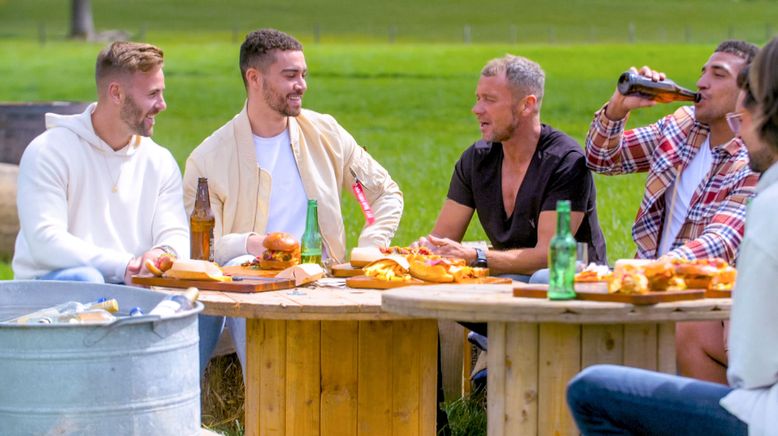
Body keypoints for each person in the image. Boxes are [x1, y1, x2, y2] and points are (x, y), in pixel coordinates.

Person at [567, 37, 778, 436]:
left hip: (692, 291)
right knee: (549, 282)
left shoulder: (755, 163)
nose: (702, 81)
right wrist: (618, 107)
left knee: (595, 388)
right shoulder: (681, 126)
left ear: (748, 97)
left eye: (719, 75)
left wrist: (638, 274)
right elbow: (600, 157)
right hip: (650, 275)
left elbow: (718, 243)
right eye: (702, 71)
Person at [185, 29, 403, 376]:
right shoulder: (208, 158)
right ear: (254, 78)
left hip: (324, 279)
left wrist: (371, 247)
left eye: (303, 75)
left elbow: (385, 193)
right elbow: (202, 250)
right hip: (250, 289)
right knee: (244, 269)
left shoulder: (326, 132)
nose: (301, 85)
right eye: (290, 76)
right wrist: (252, 244)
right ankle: (268, 408)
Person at [416, 54, 607, 287]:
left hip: (574, 283)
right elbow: (442, 239)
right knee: (473, 283)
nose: (476, 109)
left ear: (527, 104)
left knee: (539, 279)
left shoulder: (565, 161)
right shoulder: (476, 160)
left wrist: (477, 257)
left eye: (489, 100)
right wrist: (426, 250)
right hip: (512, 276)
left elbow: (548, 255)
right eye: (478, 98)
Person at [12, 41, 188, 284]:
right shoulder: (49, 151)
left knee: (201, 299)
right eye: (152, 94)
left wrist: (162, 255)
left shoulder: (159, 161)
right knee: (88, 281)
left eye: (161, 92)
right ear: (116, 93)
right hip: (51, 292)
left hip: (132, 288)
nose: (162, 104)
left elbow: (175, 234)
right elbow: (45, 241)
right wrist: (124, 265)